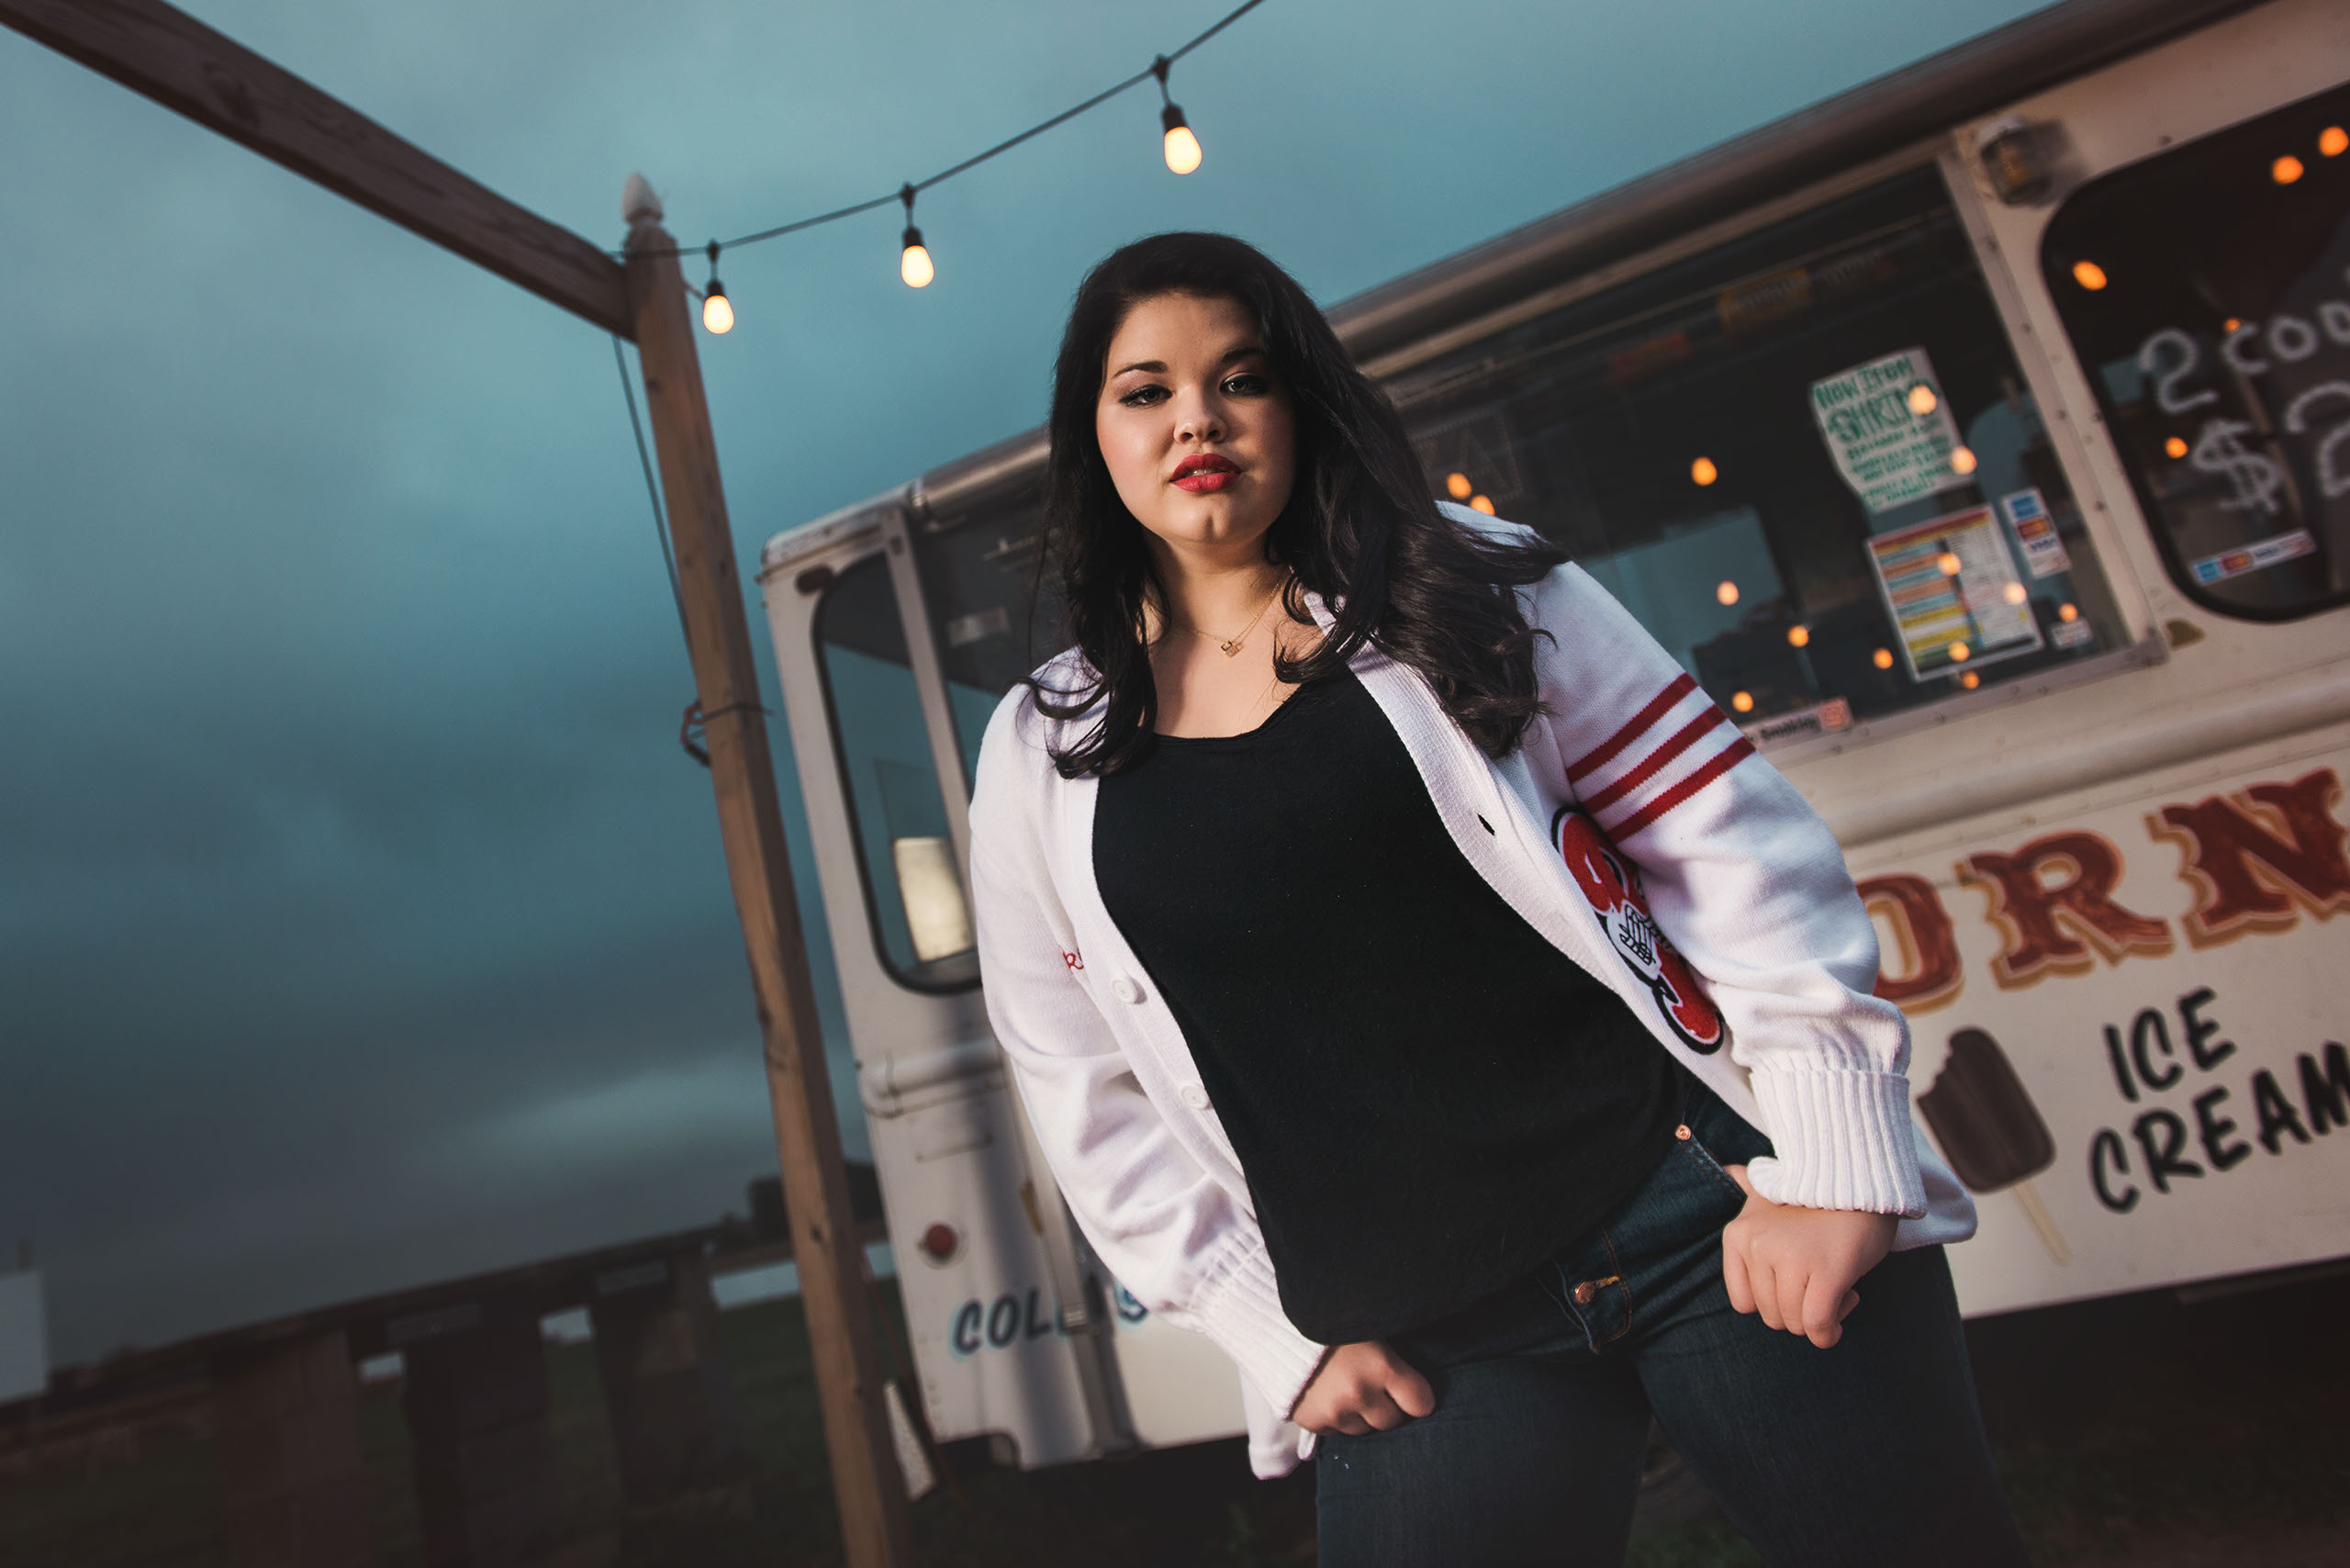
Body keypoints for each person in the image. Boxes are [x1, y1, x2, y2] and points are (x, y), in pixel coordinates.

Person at [966, 231, 2027, 1567]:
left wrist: (1826, 1161)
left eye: (1241, 379)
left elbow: (1733, 844)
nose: (1198, 419)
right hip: (1425, 1339)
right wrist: (1267, 1329)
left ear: (1299, 404)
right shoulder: (1040, 753)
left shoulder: (1462, 581)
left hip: (1708, 1211)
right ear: (1094, 434)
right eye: (1147, 389)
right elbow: (1074, 1077)